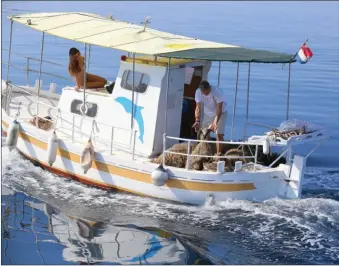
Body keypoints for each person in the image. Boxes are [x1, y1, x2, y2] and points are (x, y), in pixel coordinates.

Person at [192, 80, 228, 155]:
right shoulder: (198, 92)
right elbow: (198, 107)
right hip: (208, 113)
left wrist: (215, 122)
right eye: (204, 93)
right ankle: (208, 152)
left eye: (207, 92)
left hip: (221, 113)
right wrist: (197, 121)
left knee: (219, 134)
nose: (206, 94)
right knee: (203, 133)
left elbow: (219, 108)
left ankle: (219, 155)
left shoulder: (217, 92)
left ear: (209, 88)